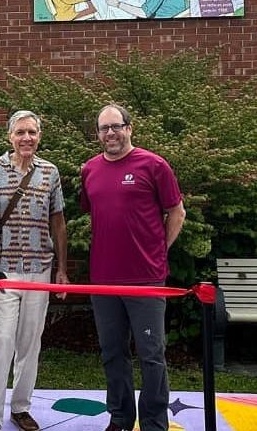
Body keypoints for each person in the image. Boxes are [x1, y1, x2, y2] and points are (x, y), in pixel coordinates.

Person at [80, 104, 186, 431]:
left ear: (129, 128)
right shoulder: (90, 170)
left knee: (152, 356)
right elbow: (96, 214)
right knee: (113, 353)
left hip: (146, 280)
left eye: (116, 126)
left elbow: (177, 212)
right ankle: (121, 418)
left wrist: (158, 252)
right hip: (103, 280)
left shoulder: (154, 165)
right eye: (103, 128)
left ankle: (154, 423)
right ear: (98, 134)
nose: (110, 133)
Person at [0, 110, 70, 431]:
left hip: (40, 268)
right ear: (10, 137)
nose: (26, 138)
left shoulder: (50, 172)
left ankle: (21, 407)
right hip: (2, 270)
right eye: (20, 132)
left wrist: (62, 270)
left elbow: (58, 221)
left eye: (32, 132)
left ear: (39, 137)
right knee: (1, 341)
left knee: (30, 342)